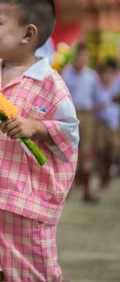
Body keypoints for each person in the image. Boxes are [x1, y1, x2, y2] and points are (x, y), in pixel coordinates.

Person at [0, 0, 79, 282]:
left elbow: (71, 133)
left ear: (28, 35)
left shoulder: (50, 83)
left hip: (26, 204)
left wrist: (36, 127)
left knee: (31, 276)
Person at [61, 44, 99, 202]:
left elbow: (98, 97)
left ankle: (86, 191)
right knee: (68, 151)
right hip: (71, 116)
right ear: (76, 57)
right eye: (81, 56)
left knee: (85, 153)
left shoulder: (92, 76)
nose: (83, 59)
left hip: (87, 116)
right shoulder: (66, 74)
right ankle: (66, 190)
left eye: (86, 57)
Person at [94, 60, 119, 191]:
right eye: (105, 73)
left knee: (113, 151)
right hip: (100, 124)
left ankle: (108, 175)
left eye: (110, 73)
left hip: (113, 125)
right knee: (101, 151)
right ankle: (103, 177)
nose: (107, 76)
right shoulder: (96, 88)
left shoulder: (117, 87)